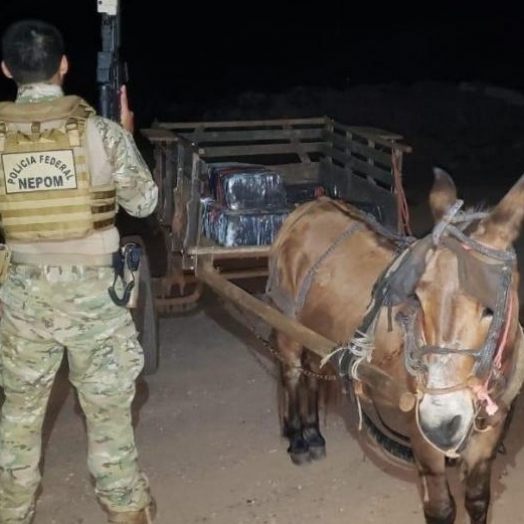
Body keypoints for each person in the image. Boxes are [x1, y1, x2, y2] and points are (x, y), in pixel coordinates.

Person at [0, 18, 158, 524]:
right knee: (108, 417)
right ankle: (126, 512)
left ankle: (12, 511)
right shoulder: (102, 133)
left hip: (24, 299)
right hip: (94, 298)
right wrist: (124, 139)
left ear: (6, 70)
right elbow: (144, 201)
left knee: (20, 416)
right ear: (64, 66)